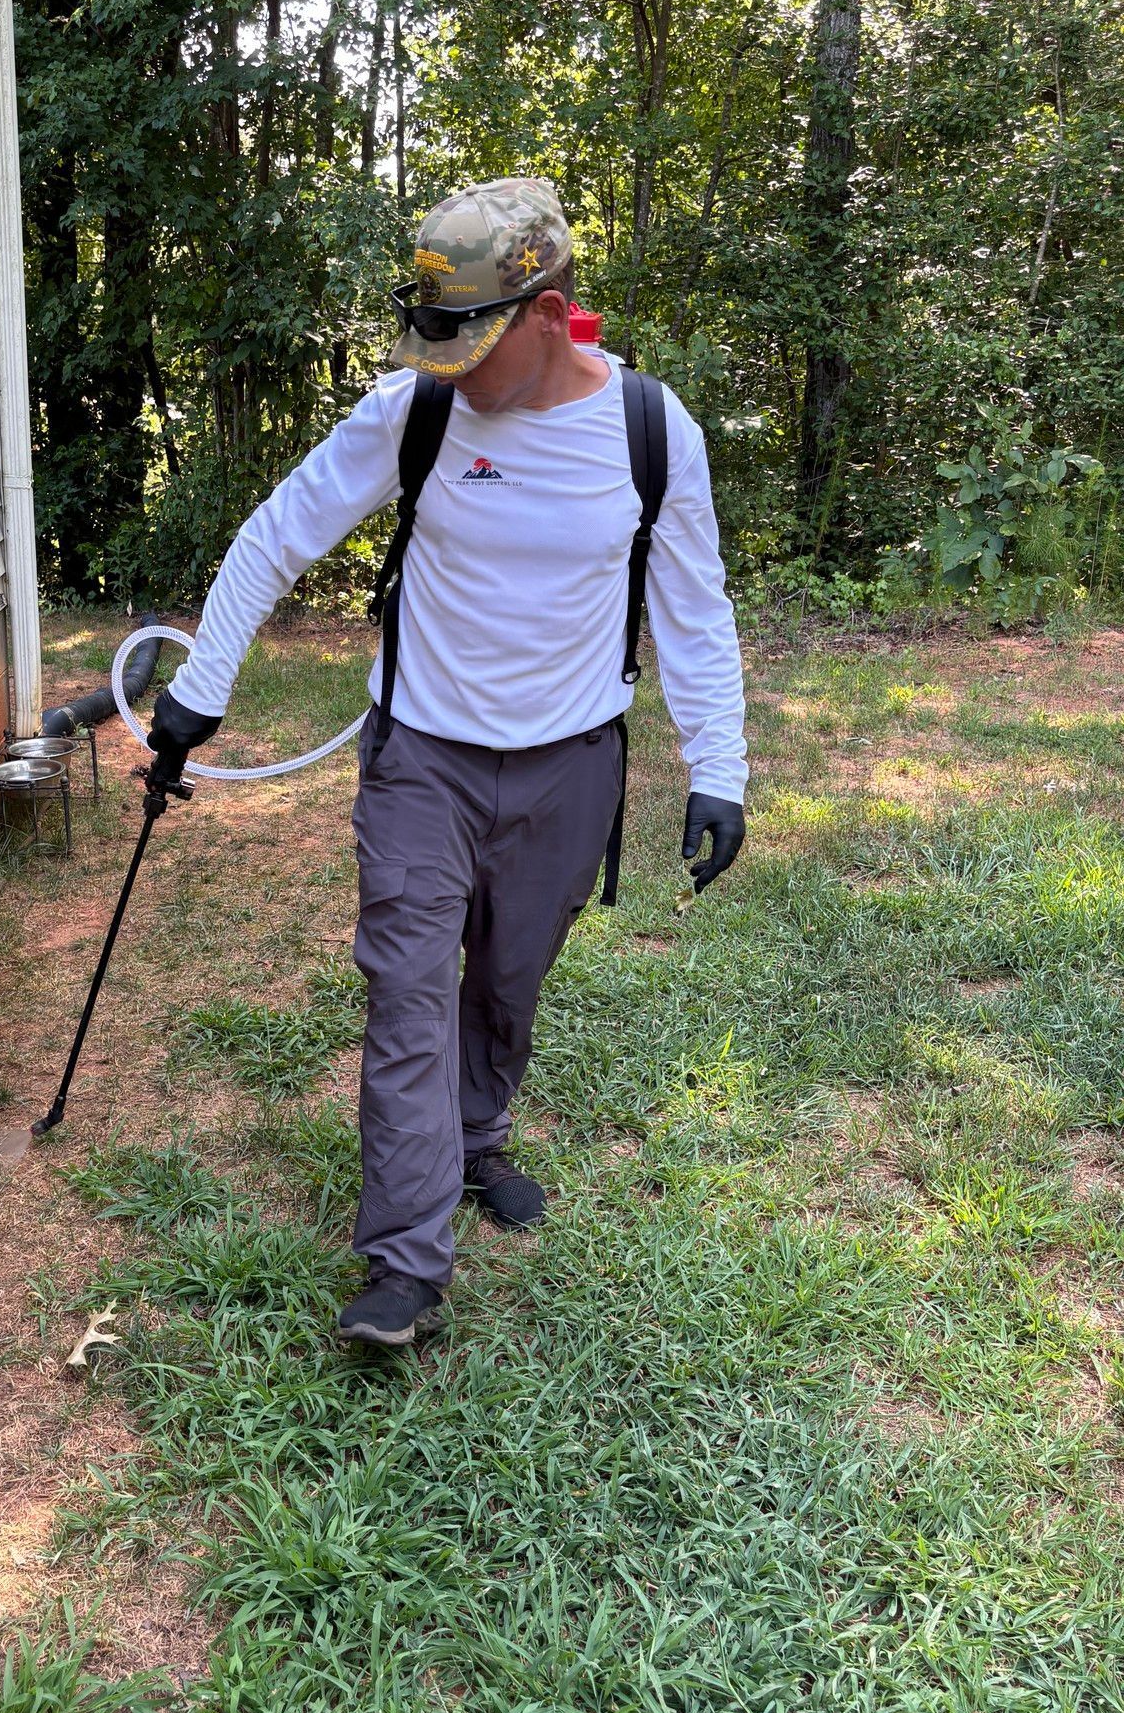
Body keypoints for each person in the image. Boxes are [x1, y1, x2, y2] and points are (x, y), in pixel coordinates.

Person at [146, 177, 748, 1346]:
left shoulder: (650, 429)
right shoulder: (415, 410)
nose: (449, 364)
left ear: (546, 313)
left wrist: (719, 765)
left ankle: (477, 1138)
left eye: (472, 340)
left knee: (506, 985)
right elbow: (280, 532)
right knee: (408, 989)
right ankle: (406, 1261)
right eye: (435, 339)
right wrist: (199, 688)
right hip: (422, 757)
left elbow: (695, 607)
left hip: (569, 767)